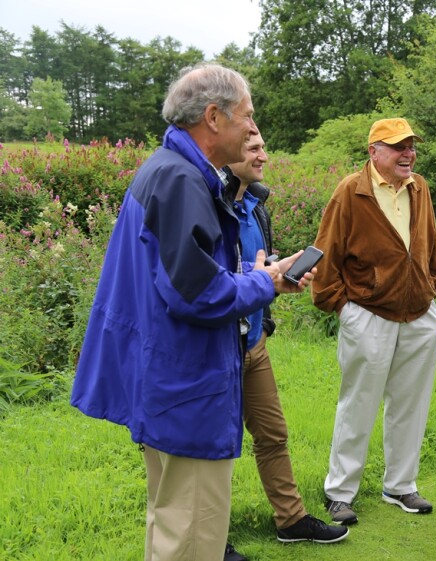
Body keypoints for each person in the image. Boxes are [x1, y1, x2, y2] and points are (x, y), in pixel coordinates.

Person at [70, 63, 314, 561]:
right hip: (188, 387)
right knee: (192, 538)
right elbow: (197, 296)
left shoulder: (165, 169)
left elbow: (182, 276)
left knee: (170, 523)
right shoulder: (182, 181)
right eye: (246, 116)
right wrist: (264, 282)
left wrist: (258, 278)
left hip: (167, 381)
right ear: (213, 117)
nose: (253, 128)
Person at [311, 117, 436, 525]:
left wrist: (432, 284)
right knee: (359, 404)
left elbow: (431, 246)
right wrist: (341, 307)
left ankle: (400, 486)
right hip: (367, 315)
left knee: (411, 404)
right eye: (398, 146)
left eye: (411, 146)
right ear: (374, 152)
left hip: (420, 313)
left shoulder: (419, 188)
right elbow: (326, 253)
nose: (408, 153)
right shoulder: (351, 192)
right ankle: (339, 492)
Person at [223, 132, 349, 545]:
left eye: (263, 145)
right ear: (224, 148)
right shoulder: (211, 204)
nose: (264, 154)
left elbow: (257, 265)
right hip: (216, 346)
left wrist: (278, 271)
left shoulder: (256, 206)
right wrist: (260, 276)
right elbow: (206, 278)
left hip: (253, 341)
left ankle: (291, 520)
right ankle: (209, 538)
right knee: (213, 444)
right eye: (253, 148)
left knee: (273, 434)